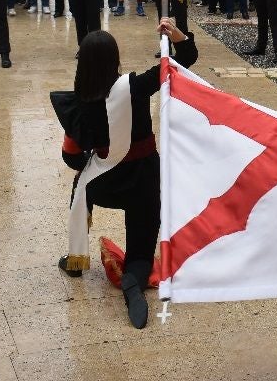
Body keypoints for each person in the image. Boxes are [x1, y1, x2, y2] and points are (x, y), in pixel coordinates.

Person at [54, 19, 197, 328]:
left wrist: (95, 153)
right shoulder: (135, 86)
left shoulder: (78, 103)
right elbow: (183, 63)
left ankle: (76, 259)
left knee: (82, 185)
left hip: (105, 183)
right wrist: (178, 37)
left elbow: (71, 157)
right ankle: (134, 277)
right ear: (115, 60)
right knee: (141, 251)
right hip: (144, 181)